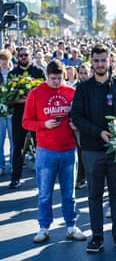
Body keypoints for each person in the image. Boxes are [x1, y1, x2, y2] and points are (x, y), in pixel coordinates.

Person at [71, 43, 116, 253]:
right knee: (94, 195)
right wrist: (99, 132)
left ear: (110, 61)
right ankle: (97, 236)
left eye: (103, 60)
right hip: (92, 150)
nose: (99, 64)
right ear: (91, 62)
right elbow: (76, 116)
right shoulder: (83, 88)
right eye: (95, 61)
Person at [22, 60, 87, 244]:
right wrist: (43, 124)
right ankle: (44, 227)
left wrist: (76, 124)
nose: (57, 82)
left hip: (68, 149)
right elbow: (26, 122)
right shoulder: (35, 94)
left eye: (60, 78)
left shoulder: (71, 92)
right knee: (44, 192)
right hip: (46, 150)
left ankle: (70, 226)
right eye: (53, 79)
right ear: (46, 76)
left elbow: (79, 116)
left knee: (69, 193)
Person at [8, 46, 45, 188]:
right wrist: (25, 100)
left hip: (37, 117)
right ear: (17, 57)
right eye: (21, 55)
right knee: (17, 147)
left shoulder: (38, 71)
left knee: (40, 147)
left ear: (31, 56)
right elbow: (9, 99)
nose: (23, 57)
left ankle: (43, 177)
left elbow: (44, 95)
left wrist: (30, 98)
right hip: (19, 116)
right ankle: (15, 177)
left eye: (26, 55)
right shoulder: (13, 74)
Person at [0, 49, 13, 176]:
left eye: (6, 59)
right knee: (0, 140)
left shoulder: (13, 75)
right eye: (2, 59)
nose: (4, 62)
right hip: (0, 113)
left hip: (11, 111)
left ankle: (13, 165)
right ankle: (1, 166)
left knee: (13, 140)